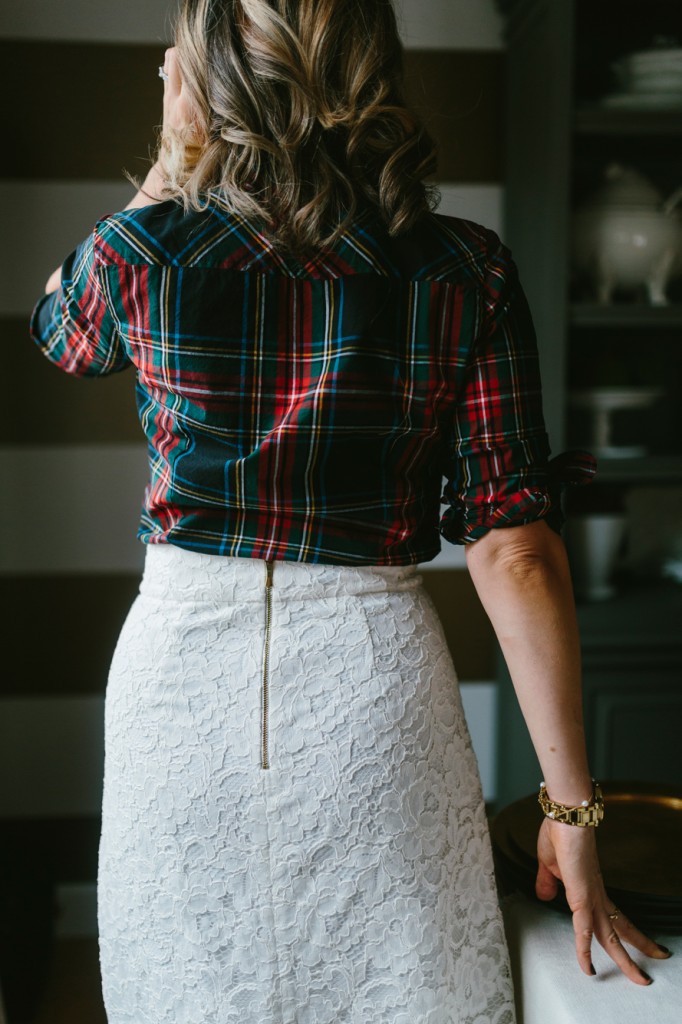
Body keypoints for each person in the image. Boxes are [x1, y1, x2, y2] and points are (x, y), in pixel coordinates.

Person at [31, 1, 670, 1021]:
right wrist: (570, 810)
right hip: (371, 693)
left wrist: (169, 153)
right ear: (375, 64)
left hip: (175, 696)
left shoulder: (138, 256)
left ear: (203, 81)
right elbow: (516, 551)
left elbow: (63, 333)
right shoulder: (466, 271)